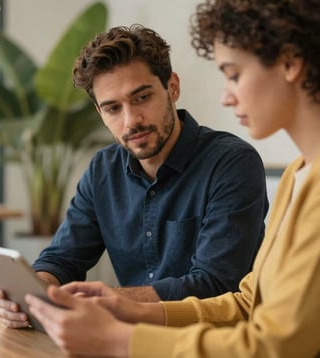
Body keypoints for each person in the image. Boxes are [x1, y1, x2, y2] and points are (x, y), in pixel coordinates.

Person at [23, 0, 320, 357]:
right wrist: (124, 307)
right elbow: (246, 302)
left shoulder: (236, 162)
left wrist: (120, 339)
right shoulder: (296, 175)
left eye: (233, 74)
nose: (225, 96)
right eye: (113, 108)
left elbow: (273, 341)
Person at [0, 24, 268, 326]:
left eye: (142, 98)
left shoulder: (231, 163)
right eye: (113, 108)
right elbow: (62, 259)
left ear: (172, 87)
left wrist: (106, 299)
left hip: (213, 341)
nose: (131, 121)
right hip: (128, 339)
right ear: (100, 113)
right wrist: (33, 292)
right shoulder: (103, 170)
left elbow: (216, 284)